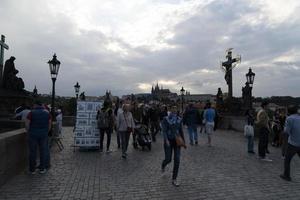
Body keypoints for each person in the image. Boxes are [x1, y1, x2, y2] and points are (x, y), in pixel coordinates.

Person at [25, 101, 52, 174]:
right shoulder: (47, 113)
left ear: (35, 105)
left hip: (33, 134)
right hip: (43, 134)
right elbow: (49, 124)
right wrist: (46, 131)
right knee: (43, 151)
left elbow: (27, 124)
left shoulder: (31, 113)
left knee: (32, 152)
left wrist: (29, 131)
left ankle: (32, 169)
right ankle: (42, 169)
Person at [161, 106, 185, 187]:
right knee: (168, 159)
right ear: (170, 110)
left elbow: (181, 131)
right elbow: (164, 130)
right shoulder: (166, 119)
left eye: (175, 109)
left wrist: (183, 142)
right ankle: (163, 165)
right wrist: (166, 140)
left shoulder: (179, 119)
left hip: (177, 141)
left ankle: (174, 179)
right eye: (173, 109)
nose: (174, 111)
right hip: (168, 140)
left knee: (177, 159)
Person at [280, 106, 300, 181]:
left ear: (288, 112)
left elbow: (286, 132)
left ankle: (286, 175)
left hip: (293, 143)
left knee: (287, 160)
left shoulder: (289, 119)